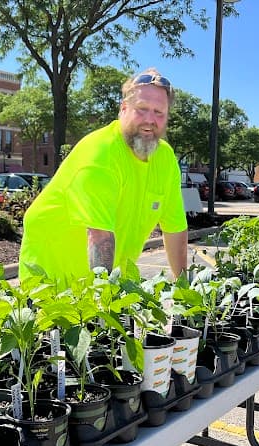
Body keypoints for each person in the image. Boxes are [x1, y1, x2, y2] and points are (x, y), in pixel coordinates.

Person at [18, 68, 188, 285]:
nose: (150, 119)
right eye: (142, 109)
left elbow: (175, 230)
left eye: (159, 112)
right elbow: (100, 238)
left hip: (102, 279)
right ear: (123, 109)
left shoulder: (165, 159)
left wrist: (185, 290)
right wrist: (105, 300)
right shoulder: (101, 153)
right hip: (49, 282)